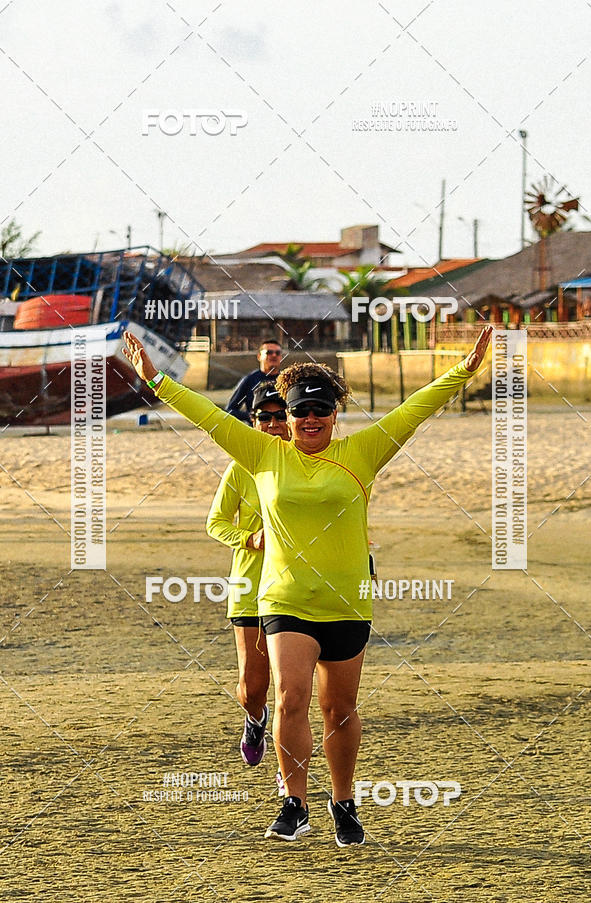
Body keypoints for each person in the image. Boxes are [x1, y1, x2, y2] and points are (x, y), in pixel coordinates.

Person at [122, 325, 492, 847]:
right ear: (288, 417)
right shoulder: (261, 453)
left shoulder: (364, 452)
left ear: (334, 415)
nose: (309, 419)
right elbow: (204, 416)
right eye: (299, 412)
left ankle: (343, 801)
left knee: (338, 709)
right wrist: (156, 378)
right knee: (290, 698)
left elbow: (416, 407)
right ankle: (293, 803)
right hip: (285, 597)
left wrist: (466, 369)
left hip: (347, 601)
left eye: (319, 410)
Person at [206, 382, 290, 768]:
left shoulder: (307, 460)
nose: (273, 424)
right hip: (250, 583)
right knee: (253, 688)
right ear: (253, 422)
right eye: (264, 418)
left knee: (293, 691)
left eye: (280, 416)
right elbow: (216, 523)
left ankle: (290, 776)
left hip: (295, 588)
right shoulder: (240, 467)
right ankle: (255, 719)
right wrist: (249, 538)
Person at [226, 338, 283, 424]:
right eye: (269, 352)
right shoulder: (250, 380)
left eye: (277, 353)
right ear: (259, 356)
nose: (274, 355)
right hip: (257, 430)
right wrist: (253, 416)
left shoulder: (285, 379)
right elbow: (230, 410)